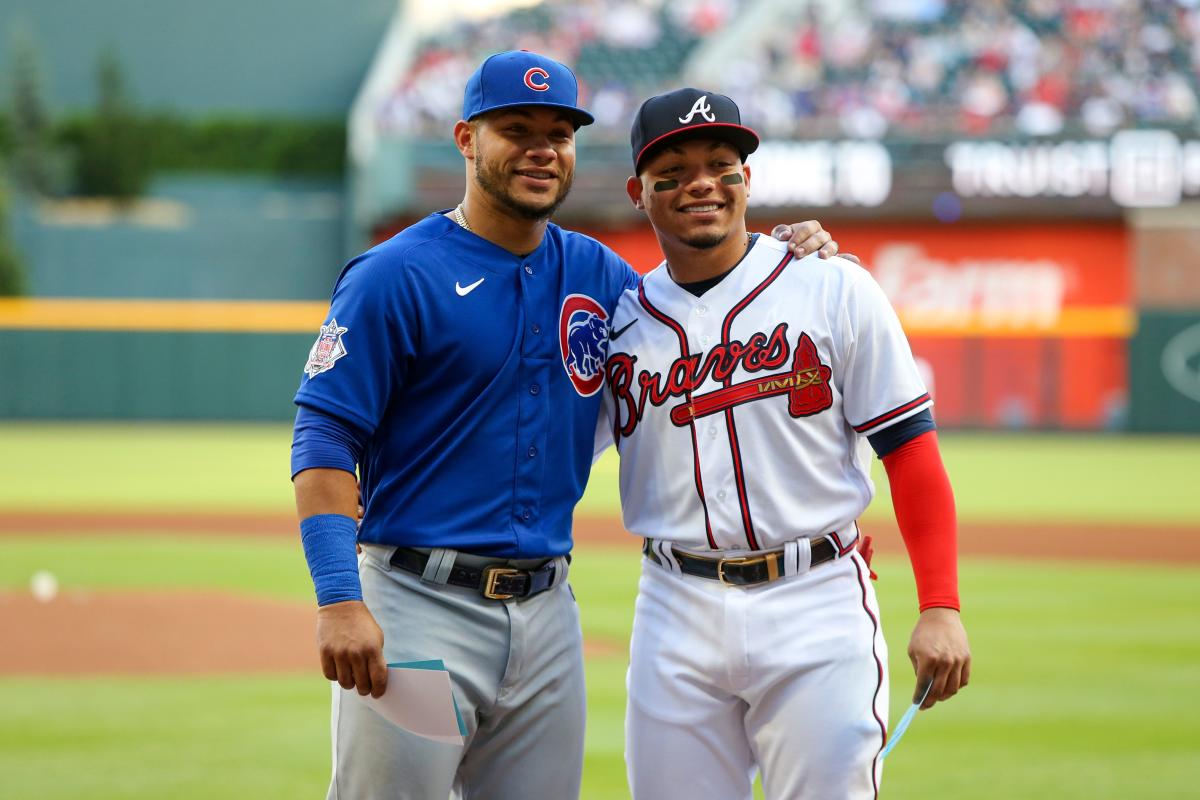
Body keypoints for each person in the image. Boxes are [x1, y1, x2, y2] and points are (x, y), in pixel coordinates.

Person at [290, 51, 842, 800]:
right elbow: (325, 441)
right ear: (466, 139)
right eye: (515, 129)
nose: (540, 149)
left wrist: (783, 257)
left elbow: (710, 326)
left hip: (548, 619)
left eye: (560, 133)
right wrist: (337, 598)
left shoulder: (601, 276)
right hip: (420, 612)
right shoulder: (394, 274)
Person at [599, 87, 971, 799]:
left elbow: (910, 450)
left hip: (816, 601)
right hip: (674, 607)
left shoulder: (829, 286)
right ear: (638, 192)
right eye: (672, 171)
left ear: (747, 179)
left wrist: (941, 604)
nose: (701, 182)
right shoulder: (622, 319)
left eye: (721, 163)